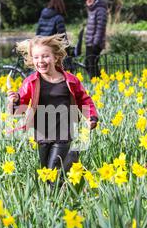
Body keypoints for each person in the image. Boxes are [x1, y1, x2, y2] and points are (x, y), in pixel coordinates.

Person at [7, 34, 98, 181]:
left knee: (53, 170)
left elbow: (84, 99)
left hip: (64, 130)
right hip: (42, 132)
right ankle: (70, 163)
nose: (40, 61)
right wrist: (15, 101)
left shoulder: (70, 80)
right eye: (36, 57)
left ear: (55, 58)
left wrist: (91, 116)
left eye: (45, 56)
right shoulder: (31, 81)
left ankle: (53, 201)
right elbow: (19, 109)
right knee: (45, 171)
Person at [84, 0, 108, 78]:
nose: (88, 0)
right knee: (89, 64)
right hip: (89, 42)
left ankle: (97, 83)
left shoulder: (100, 9)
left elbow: (100, 28)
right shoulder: (91, 9)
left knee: (91, 65)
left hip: (95, 43)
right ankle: (100, 81)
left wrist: (95, 43)